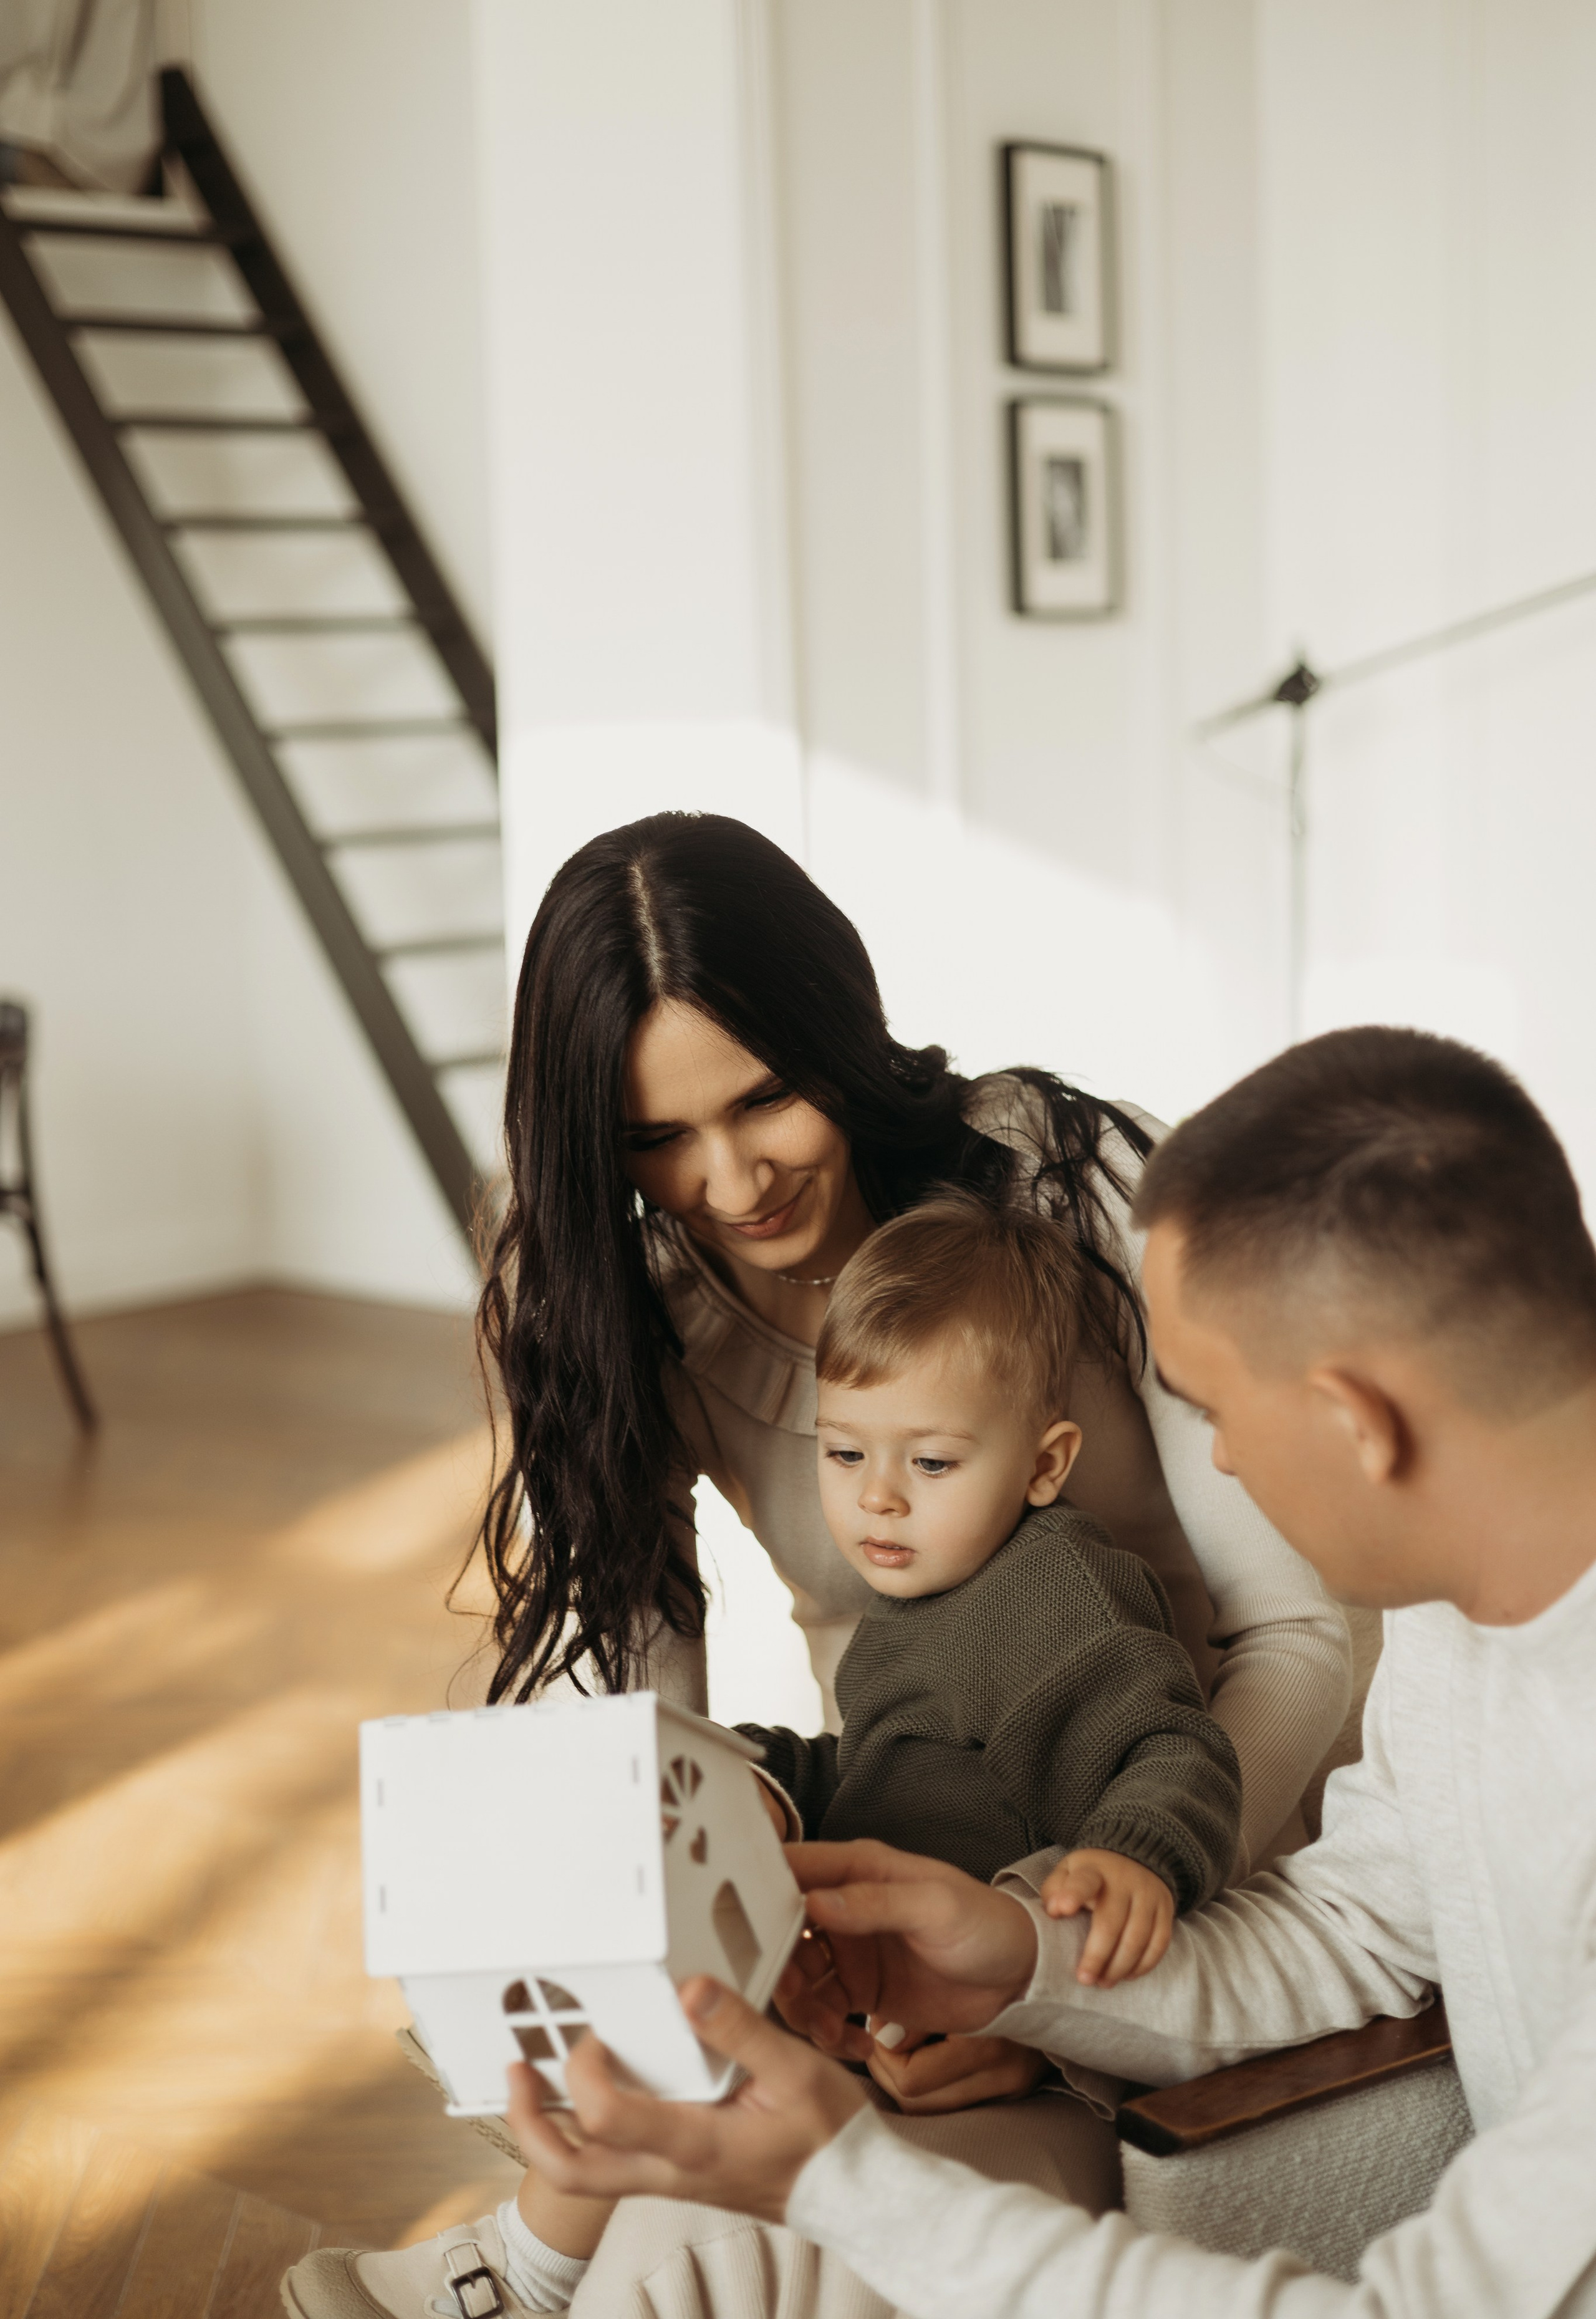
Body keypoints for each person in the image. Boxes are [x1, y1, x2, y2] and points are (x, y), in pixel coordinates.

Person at [284, 814, 1348, 2319]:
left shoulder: (1070, 1185)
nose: (726, 1179)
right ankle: (525, 2256)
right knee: (677, 2179)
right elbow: (639, 1727)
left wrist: (1051, 1956)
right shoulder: (614, 1285)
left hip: (1174, 1833)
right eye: (654, 1136)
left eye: (764, 1096)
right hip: (912, 1834)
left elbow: (1301, 1629)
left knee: (723, 2247)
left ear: (836, 1039)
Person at [498, 1025, 1596, 2319]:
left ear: (1355, 1420)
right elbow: (1353, 1926)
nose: (1221, 1469)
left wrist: (840, 2180)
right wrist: (1019, 1959)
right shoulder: (1450, 1620)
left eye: (1212, 1409)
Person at [739, 1194, 1241, 1986]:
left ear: (1044, 1467)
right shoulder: (916, 1598)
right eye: (843, 1454)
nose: (878, 1497)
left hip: (1009, 1987)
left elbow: (1170, 1749)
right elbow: (887, 1781)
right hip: (884, 1968)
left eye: (930, 1462)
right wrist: (766, 1772)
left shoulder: (1052, 1592)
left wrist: (1128, 1854)